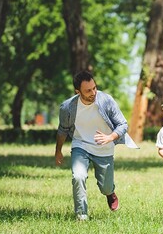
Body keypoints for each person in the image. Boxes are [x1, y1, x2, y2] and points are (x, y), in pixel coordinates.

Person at [55, 70, 129, 221]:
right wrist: (58, 151)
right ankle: (82, 214)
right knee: (78, 176)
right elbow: (62, 129)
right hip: (80, 145)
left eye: (94, 88)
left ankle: (110, 193)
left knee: (106, 186)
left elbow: (123, 124)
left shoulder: (106, 100)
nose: (93, 92)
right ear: (78, 91)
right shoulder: (67, 107)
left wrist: (110, 137)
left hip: (104, 147)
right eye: (88, 90)